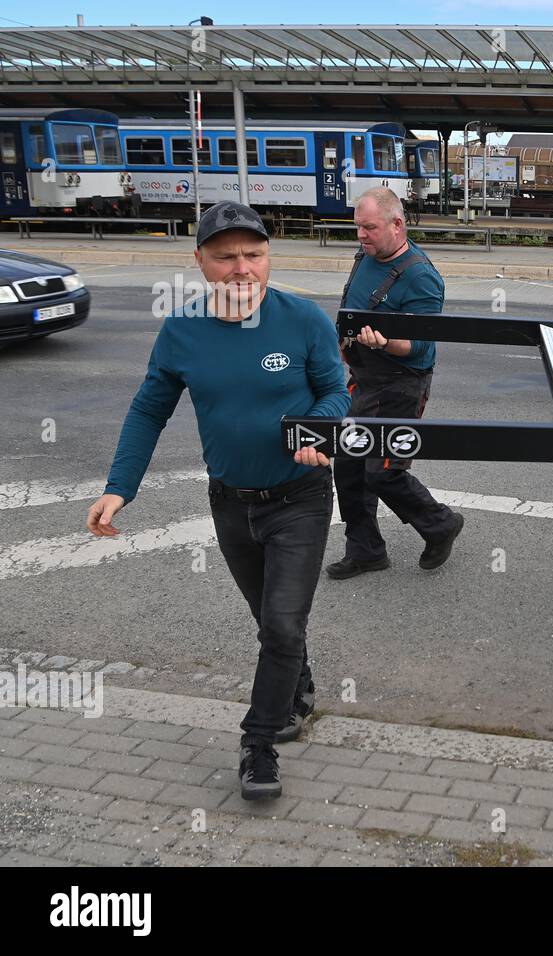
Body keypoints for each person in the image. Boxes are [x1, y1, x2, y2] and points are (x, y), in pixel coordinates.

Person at [87, 201, 350, 800]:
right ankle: (298, 683)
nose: (242, 269)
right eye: (226, 256)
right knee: (271, 620)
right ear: (200, 261)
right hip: (230, 502)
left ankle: (257, 745)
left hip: (301, 498)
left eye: (253, 255)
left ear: (267, 257)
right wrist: (118, 488)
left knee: (282, 623)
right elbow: (149, 409)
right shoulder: (182, 331)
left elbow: (336, 391)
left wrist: (317, 429)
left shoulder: (303, 318)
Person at [326, 186, 464, 580]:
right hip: (363, 380)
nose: (361, 236)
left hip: (403, 385)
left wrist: (385, 342)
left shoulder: (421, 278)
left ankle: (440, 524)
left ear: (397, 224)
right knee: (349, 469)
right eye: (358, 228)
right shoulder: (364, 255)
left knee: (383, 471)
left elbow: (419, 347)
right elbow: (350, 310)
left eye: (369, 228)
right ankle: (366, 551)